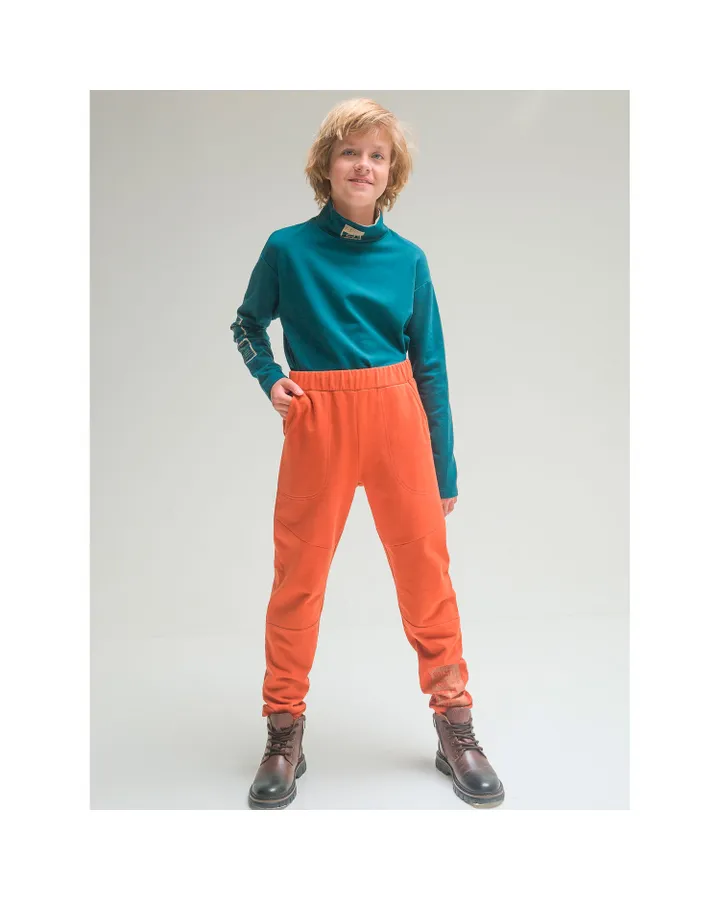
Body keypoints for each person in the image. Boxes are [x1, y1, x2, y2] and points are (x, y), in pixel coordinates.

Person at [230, 98, 504, 810]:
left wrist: (443, 468)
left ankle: (454, 723)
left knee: (426, 578)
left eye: (377, 155)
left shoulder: (408, 259)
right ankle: (284, 727)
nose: (363, 165)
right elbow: (248, 324)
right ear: (325, 166)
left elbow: (431, 366)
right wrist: (270, 378)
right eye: (349, 151)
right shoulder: (287, 249)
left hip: (396, 419)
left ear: (392, 173)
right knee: (298, 579)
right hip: (318, 420)